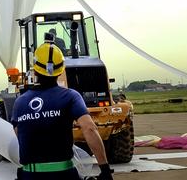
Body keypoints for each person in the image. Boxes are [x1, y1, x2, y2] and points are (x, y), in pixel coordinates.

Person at [11, 41, 113, 180]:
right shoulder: (70, 96)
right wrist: (105, 170)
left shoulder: (19, 102)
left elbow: (20, 135)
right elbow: (89, 128)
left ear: (34, 69)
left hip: (29, 175)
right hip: (63, 174)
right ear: (61, 70)